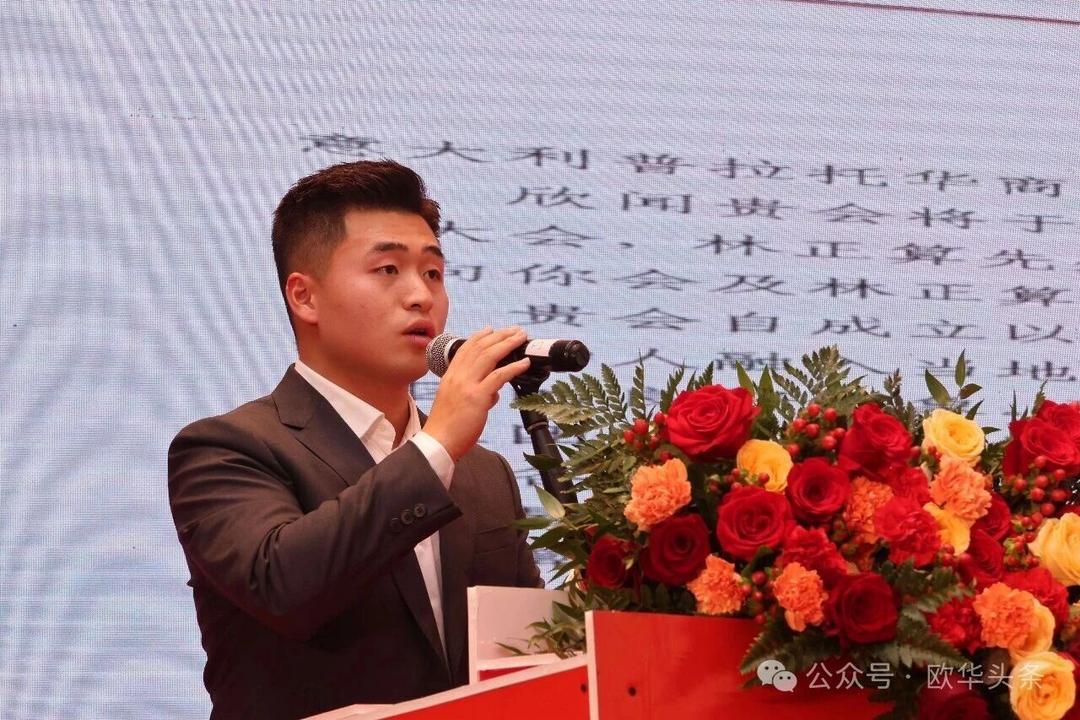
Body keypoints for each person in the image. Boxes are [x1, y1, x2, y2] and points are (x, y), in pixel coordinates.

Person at [168, 160, 543, 720]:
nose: (421, 296)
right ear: (305, 297)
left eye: (433, 273)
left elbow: (533, 654)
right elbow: (284, 586)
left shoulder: (484, 474)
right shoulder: (226, 448)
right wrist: (438, 443)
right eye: (388, 269)